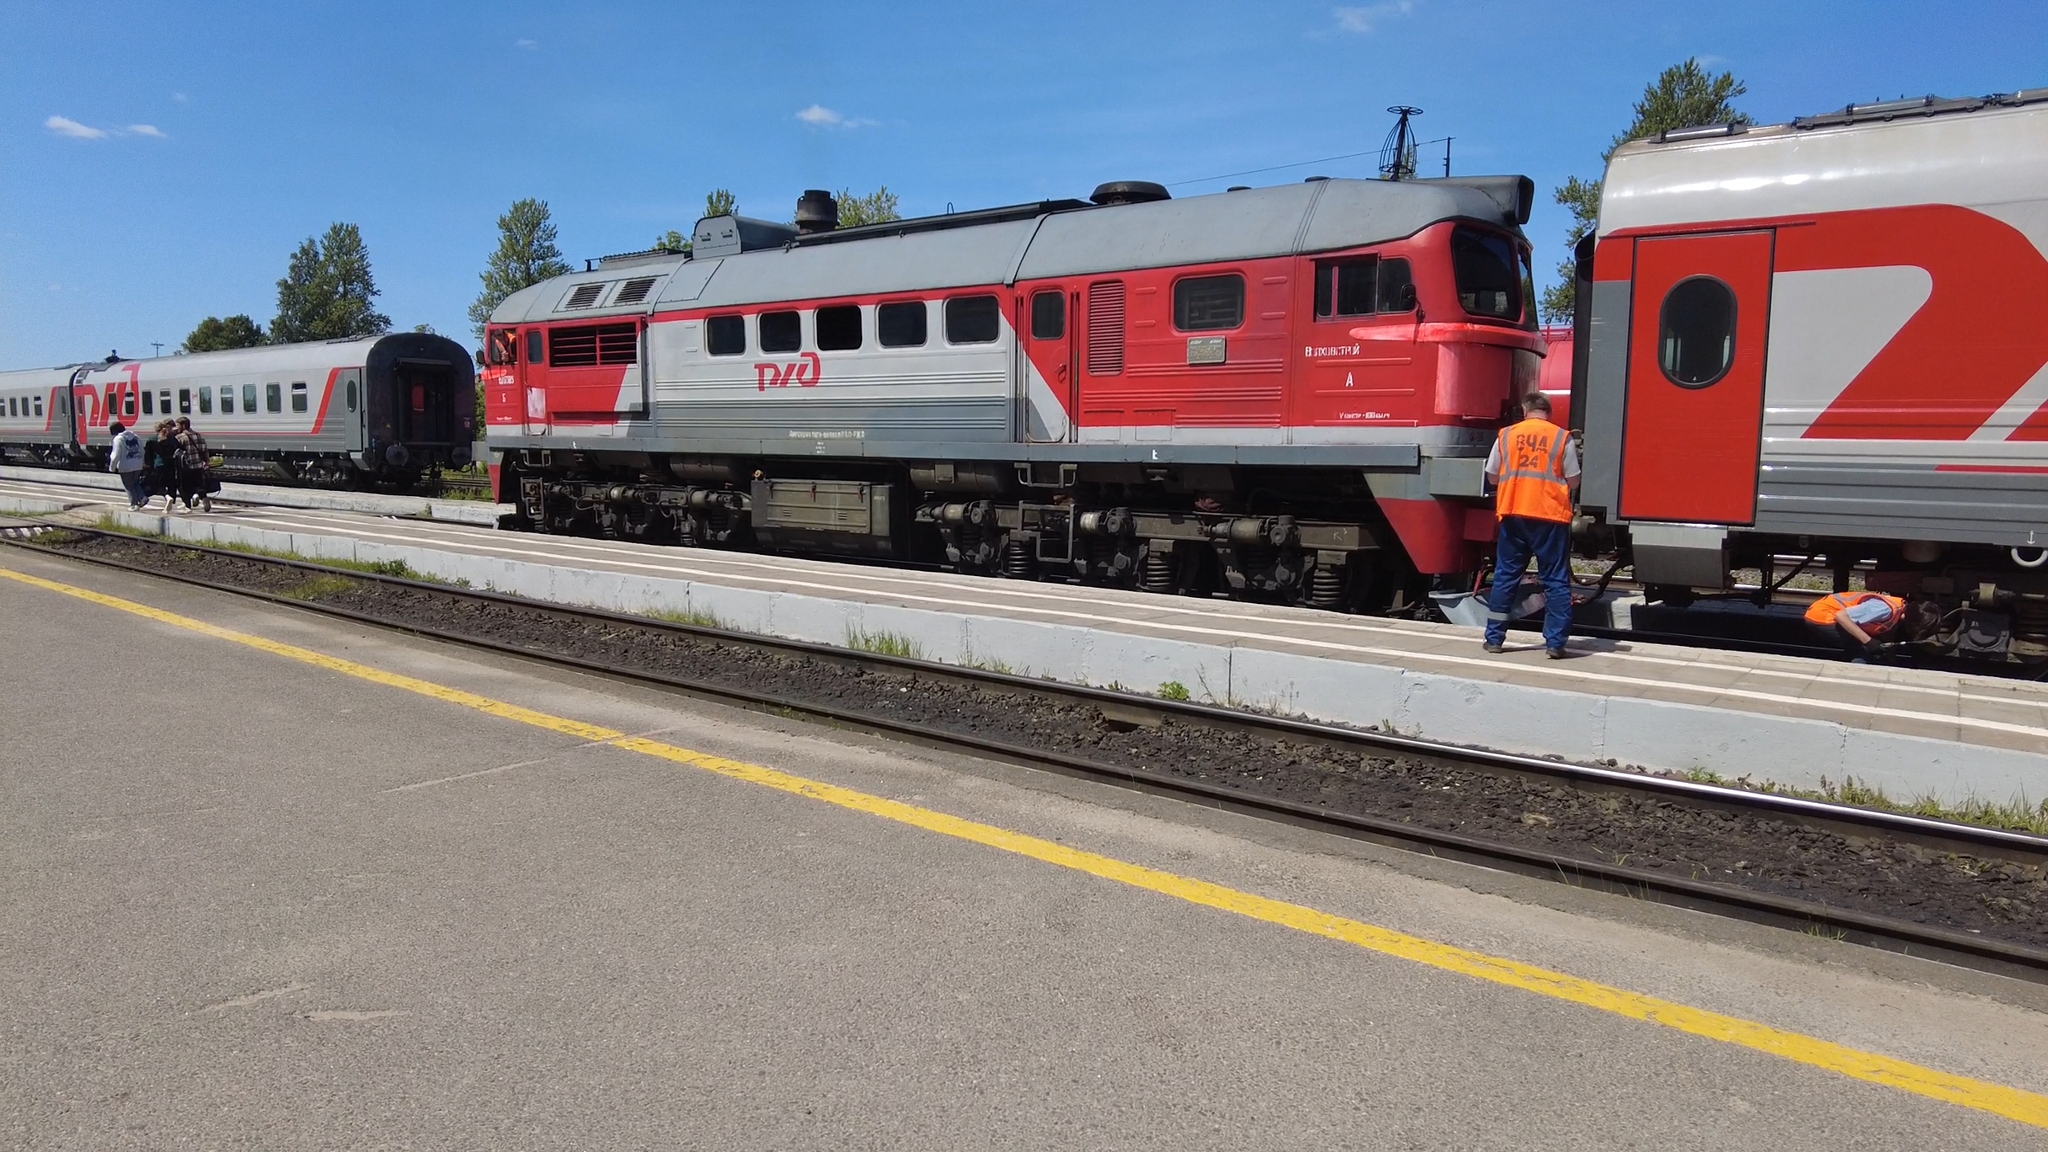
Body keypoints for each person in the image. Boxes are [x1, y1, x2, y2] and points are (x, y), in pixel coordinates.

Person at [1482, 392, 1580, 658]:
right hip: (1549, 517)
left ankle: (1494, 639)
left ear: (1526, 411)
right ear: (1548, 412)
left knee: (1506, 576)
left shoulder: (1506, 435)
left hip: (1514, 513)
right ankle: (1555, 643)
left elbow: (1492, 476)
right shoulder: (1562, 437)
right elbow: (1573, 480)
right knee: (1555, 580)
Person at [1803, 591, 1938, 660]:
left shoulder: (1900, 610)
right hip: (1823, 616)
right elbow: (1841, 616)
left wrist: (1892, 662)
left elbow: (1887, 635)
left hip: (1832, 616)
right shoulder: (1883, 609)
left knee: (1874, 651)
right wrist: (1869, 642)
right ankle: (1856, 678)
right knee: (1864, 651)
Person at [174, 416, 215, 513]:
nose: (177, 428)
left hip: (186, 467)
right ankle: (202, 497)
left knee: (184, 487)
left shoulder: (179, 438)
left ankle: (188, 506)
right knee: (199, 484)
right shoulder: (199, 435)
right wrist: (207, 462)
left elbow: (176, 453)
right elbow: (204, 451)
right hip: (198, 465)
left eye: (178, 425)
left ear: (183, 425)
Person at [106, 420, 148, 509]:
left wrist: (112, 467)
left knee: (128, 486)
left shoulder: (118, 439)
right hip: (137, 463)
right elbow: (142, 450)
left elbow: (115, 455)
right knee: (136, 483)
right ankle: (142, 497)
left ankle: (134, 504)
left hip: (125, 466)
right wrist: (142, 462)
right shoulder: (136, 437)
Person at [145, 420, 181, 512]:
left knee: (158, 485)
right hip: (171, 464)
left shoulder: (152, 439)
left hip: (159, 465)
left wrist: (147, 465)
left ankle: (167, 497)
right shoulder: (172, 438)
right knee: (171, 484)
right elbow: (178, 449)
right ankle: (171, 502)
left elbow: (148, 455)